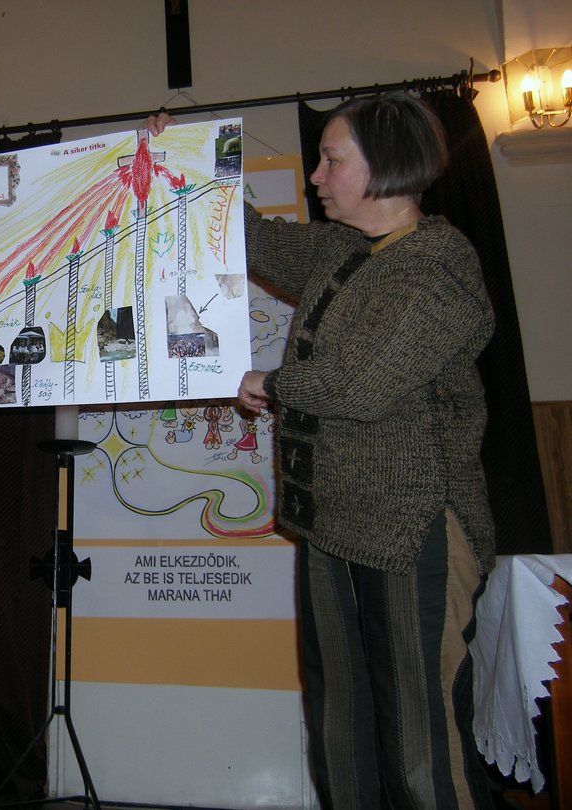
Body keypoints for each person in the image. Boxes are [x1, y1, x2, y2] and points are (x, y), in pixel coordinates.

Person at [149, 96, 496, 809]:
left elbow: (364, 381)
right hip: (333, 522)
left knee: (420, 735)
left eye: (331, 160)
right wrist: (186, 161)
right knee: (343, 720)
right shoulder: (342, 249)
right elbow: (250, 239)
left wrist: (271, 382)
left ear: (386, 166)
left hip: (413, 530)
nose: (315, 176)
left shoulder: (438, 266)